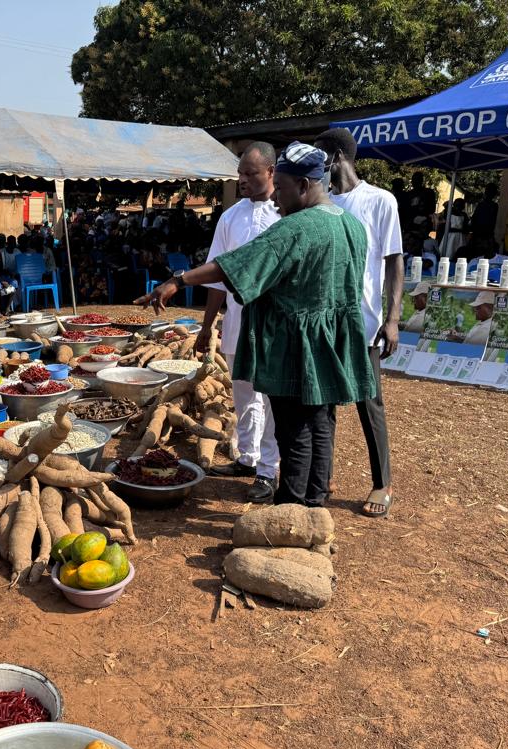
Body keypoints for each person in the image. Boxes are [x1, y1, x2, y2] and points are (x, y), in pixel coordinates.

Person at [137, 142, 375, 508]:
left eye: (280, 187)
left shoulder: (297, 227)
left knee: (294, 429)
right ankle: (314, 501)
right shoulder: (351, 225)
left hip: (297, 344)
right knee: (321, 423)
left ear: (304, 185)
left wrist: (179, 280)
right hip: (333, 340)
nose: (275, 198)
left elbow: (234, 266)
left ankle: (291, 508)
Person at [314, 127, 403, 518]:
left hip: (364, 322)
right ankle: (324, 474)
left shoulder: (380, 201)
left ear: (334, 158)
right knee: (325, 403)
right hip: (325, 320)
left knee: (370, 404)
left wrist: (393, 317)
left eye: (320, 158)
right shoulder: (323, 203)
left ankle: (381, 483)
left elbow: (394, 260)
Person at [195, 142, 282, 502]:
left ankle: (268, 470)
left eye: (251, 173)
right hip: (238, 320)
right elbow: (217, 275)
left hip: (276, 322)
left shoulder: (287, 215)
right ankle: (247, 457)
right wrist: (206, 326)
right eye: (240, 174)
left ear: (271, 173)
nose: (243, 180)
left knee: (273, 399)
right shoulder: (230, 217)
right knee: (243, 393)